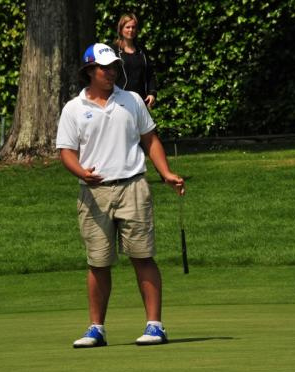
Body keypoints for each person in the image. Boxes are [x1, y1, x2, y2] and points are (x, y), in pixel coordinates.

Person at [56, 43, 184, 348]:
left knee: (142, 255)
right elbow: (66, 151)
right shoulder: (74, 108)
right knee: (98, 262)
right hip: (93, 192)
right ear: (90, 71)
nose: (111, 72)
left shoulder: (132, 100)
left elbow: (150, 139)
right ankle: (96, 329)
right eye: (104, 68)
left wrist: (165, 173)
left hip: (133, 186)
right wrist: (81, 173)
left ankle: (155, 326)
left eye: (114, 66)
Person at [113, 13, 158, 109]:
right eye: (127, 27)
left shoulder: (142, 51)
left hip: (141, 102)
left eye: (133, 27)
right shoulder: (113, 51)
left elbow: (150, 74)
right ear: (121, 29)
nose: (130, 30)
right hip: (119, 103)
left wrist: (152, 93)